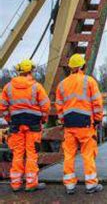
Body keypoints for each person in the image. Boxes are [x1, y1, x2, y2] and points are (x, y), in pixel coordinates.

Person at [55, 54, 104, 195]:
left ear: (70, 67)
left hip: (69, 125)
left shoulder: (62, 84)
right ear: (82, 66)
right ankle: (91, 185)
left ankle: (70, 185)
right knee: (88, 154)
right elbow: (97, 103)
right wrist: (98, 119)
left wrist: (63, 120)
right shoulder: (89, 81)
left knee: (69, 154)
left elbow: (59, 105)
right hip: (85, 124)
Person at [0, 59, 50, 192]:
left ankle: (15, 184)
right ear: (31, 71)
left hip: (16, 125)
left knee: (17, 153)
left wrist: (9, 119)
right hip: (33, 125)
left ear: (19, 71)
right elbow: (46, 106)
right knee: (31, 154)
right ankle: (31, 183)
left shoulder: (8, 87)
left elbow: (2, 107)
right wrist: (43, 119)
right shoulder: (36, 87)